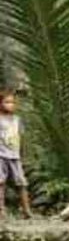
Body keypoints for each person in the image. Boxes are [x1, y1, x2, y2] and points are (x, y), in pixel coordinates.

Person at [0, 90, 31, 219]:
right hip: (1, 155)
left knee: (21, 183)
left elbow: (21, 137)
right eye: (7, 102)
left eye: (13, 102)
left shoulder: (17, 120)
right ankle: (1, 212)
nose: (10, 105)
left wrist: (23, 154)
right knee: (0, 183)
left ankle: (27, 211)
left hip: (15, 156)